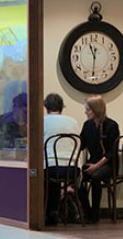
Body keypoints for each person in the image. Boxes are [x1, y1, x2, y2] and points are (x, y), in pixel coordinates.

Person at [79, 95, 120, 223]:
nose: (86, 112)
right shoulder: (87, 125)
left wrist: (96, 166)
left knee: (96, 177)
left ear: (96, 110)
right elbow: (81, 144)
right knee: (77, 177)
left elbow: (110, 153)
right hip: (93, 162)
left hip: (108, 164)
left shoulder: (111, 126)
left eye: (88, 110)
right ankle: (88, 211)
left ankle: (95, 214)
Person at [43, 93, 80, 225]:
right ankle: (58, 210)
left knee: (41, 176)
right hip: (73, 168)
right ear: (62, 107)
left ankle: (49, 212)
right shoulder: (73, 122)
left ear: (46, 107)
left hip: (52, 167)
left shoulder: (43, 121)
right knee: (54, 177)